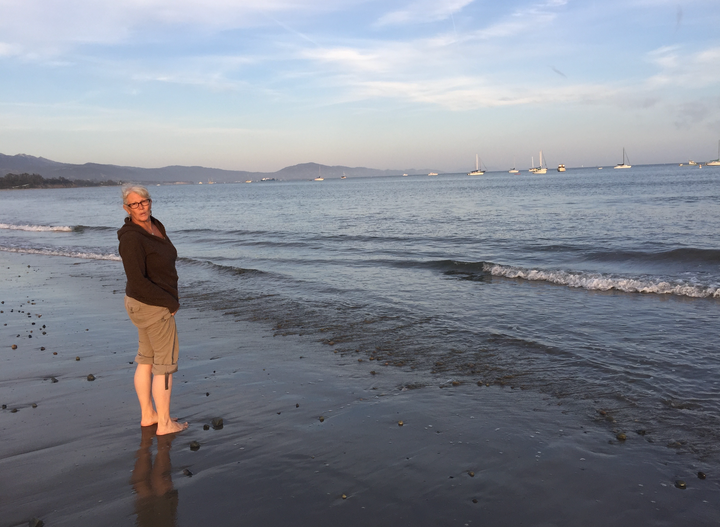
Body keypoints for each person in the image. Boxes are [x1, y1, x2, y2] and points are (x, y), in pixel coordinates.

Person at [118, 184, 188, 435]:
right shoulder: (131, 238)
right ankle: (166, 424)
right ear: (126, 208)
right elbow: (137, 280)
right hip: (151, 305)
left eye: (144, 202)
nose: (141, 207)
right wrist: (169, 303)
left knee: (146, 359)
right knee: (165, 365)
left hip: (144, 304)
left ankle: (149, 415)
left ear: (150, 202)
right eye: (134, 204)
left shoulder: (155, 226)